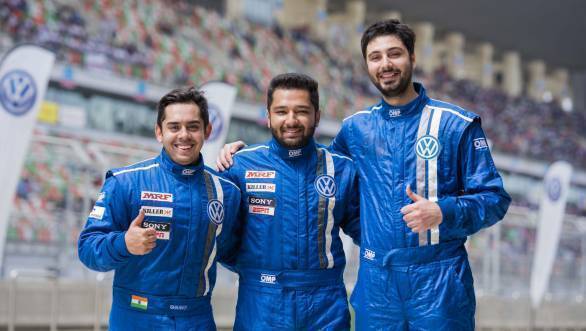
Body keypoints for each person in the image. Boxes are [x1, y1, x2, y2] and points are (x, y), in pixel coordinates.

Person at [217, 20, 511, 331]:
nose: (385, 64)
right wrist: (242, 155)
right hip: (376, 283)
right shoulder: (356, 129)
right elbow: (312, 169)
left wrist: (443, 211)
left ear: (412, 58)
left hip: (437, 279)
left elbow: (495, 199)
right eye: (375, 57)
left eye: (394, 54)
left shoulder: (455, 124)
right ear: (367, 65)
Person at [78, 86, 241, 331]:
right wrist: (124, 243)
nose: (183, 135)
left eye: (193, 126)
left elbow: (236, 253)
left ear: (207, 131)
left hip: (196, 319)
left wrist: (247, 160)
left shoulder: (226, 192)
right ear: (159, 132)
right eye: (174, 127)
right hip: (136, 317)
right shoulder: (126, 182)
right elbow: (88, 249)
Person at [219, 73, 361, 330]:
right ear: (268, 115)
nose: (291, 120)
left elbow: (371, 232)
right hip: (261, 305)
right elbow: (217, 233)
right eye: (282, 111)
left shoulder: (342, 169)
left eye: (302, 111)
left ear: (317, 116)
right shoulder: (238, 165)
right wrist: (253, 269)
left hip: (326, 307)